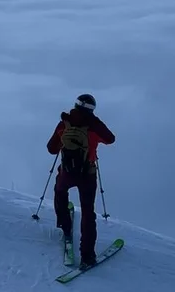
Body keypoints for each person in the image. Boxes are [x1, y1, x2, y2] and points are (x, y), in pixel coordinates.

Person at [46, 93, 115, 269]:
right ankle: (87, 256)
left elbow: (51, 149)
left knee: (60, 191)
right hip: (88, 174)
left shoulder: (65, 123)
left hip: (67, 172)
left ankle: (65, 225)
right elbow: (110, 139)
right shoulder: (94, 126)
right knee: (87, 212)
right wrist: (94, 123)